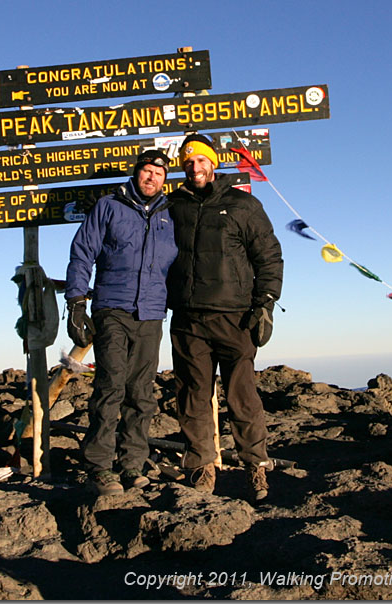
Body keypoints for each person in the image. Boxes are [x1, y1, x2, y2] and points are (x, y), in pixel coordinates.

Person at [167, 133, 284, 502]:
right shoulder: (172, 206)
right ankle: (202, 468)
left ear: (213, 163)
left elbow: (269, 255)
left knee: (243, 396)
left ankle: (256, 467)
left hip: (236, 318)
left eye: (200, 160)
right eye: (187, 163)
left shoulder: (242, 204)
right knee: (192, 397)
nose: (194, 167)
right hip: (188, 319)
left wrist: (265, 303)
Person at [65, 150, 177, 495]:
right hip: (112, 307)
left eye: (158, 174)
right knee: (110, 384)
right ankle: (99, 465)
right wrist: (76, 301)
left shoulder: (171, 214)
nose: (151, 178)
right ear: (136, 173)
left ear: (164, 179)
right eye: (146, 171)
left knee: (141, 392)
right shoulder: (110, 206)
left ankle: (132, 463)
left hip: (152, 313)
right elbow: (83, 251)